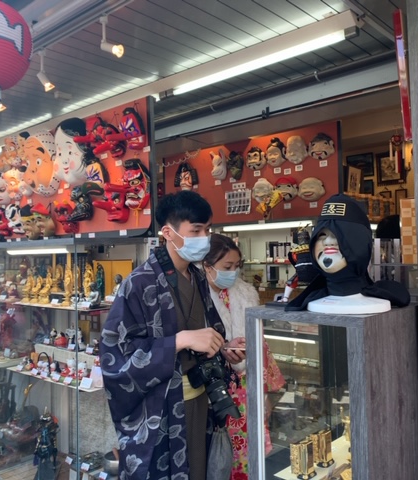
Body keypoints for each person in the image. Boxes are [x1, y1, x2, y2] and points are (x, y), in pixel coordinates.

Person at [100, 190, 245, 480]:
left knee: (198, 469)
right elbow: (115, 355)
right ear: (168, 232)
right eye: (196, 230)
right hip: (163, 408)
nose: (204, 237)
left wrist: (223, 347)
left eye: (207, 230)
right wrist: (180, 341)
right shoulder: (139, 283)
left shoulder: (198, 276)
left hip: (200, 399)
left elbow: (206, 331)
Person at [202, 234, 285, 479]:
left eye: (237, 266)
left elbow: (261, 345)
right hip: (215, 391)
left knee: (249, 451)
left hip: (246, 389)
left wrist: (264, 391)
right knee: (218, 454)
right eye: (227, 266)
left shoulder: (245, 294)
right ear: (207, 266)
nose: (233, 272)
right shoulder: (197, 298)